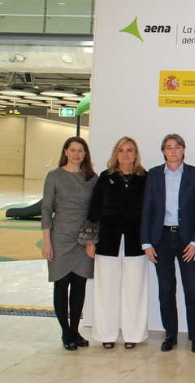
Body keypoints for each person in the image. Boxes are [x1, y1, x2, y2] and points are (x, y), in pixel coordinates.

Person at [141, 134, 195, 353]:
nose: (174, 151)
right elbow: (147, 209)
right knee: (166, 290)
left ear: (184, 150)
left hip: (187, 240)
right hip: (161, 239)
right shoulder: (154, 174)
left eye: (177, 147)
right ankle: (170, 335)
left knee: (192, 289)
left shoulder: (194, 174)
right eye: (169, 148)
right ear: (163, 151)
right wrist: (146, 242)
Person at [87, 136, 148, 349]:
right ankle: (106, 334)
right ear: (116, 154)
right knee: (106, 288)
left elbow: (149, 212)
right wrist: (90, 240)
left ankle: (133, 334)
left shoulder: (144, 178)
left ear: (135, 154)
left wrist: (149, 242)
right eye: (121, 150)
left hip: (136, 240)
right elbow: (94, 209)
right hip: (107, 240)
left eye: (130, 150)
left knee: (135, 289)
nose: (125, 154)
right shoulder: (105, 177)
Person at [41, 136, 98, 351]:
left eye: (81, 151)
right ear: (65, 151)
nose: (77, 154)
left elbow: (96, 212)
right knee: (61, 284)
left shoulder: (92, 178)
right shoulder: (54, 176)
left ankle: (75, 330)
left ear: (85, 154)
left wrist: (92, 241)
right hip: (60, 237)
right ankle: (66, 332)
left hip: (83, 239)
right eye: (73, 150)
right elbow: (46, 210)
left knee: (79, 286)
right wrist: (47, 242)